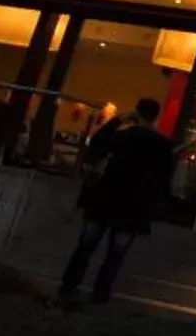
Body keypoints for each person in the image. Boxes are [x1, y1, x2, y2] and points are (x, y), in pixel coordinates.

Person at [60, 97, 174, 306]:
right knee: (116, 253)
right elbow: (163, 180)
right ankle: (100, 294)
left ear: (137, 113)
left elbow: (98, 144)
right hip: (133, 206)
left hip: (106, 196)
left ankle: (69, 286)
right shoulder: (163, 146)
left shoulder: (123, 136)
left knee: (87, 245)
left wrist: (116, 121)